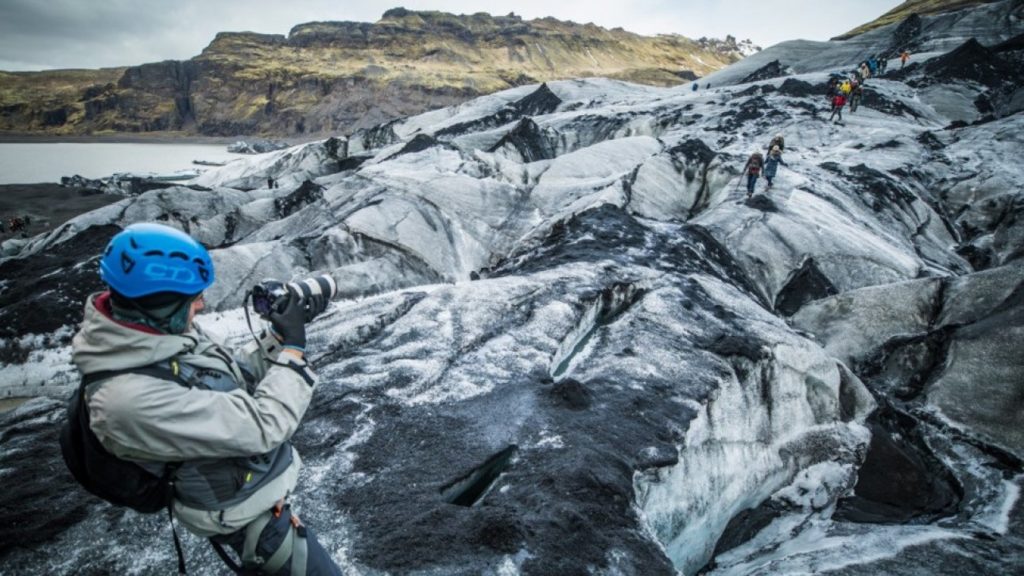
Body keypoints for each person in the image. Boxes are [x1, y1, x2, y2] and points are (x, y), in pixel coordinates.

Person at [70, 223, 341, 575]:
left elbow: (229, 380)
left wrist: (277, 336)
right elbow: (264, 426)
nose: (202, 303)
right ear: (159, 304)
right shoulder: (128, 400)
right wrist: (293, 349)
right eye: (193, 297)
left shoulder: (156, 333)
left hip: (253, 496)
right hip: (244, 519)